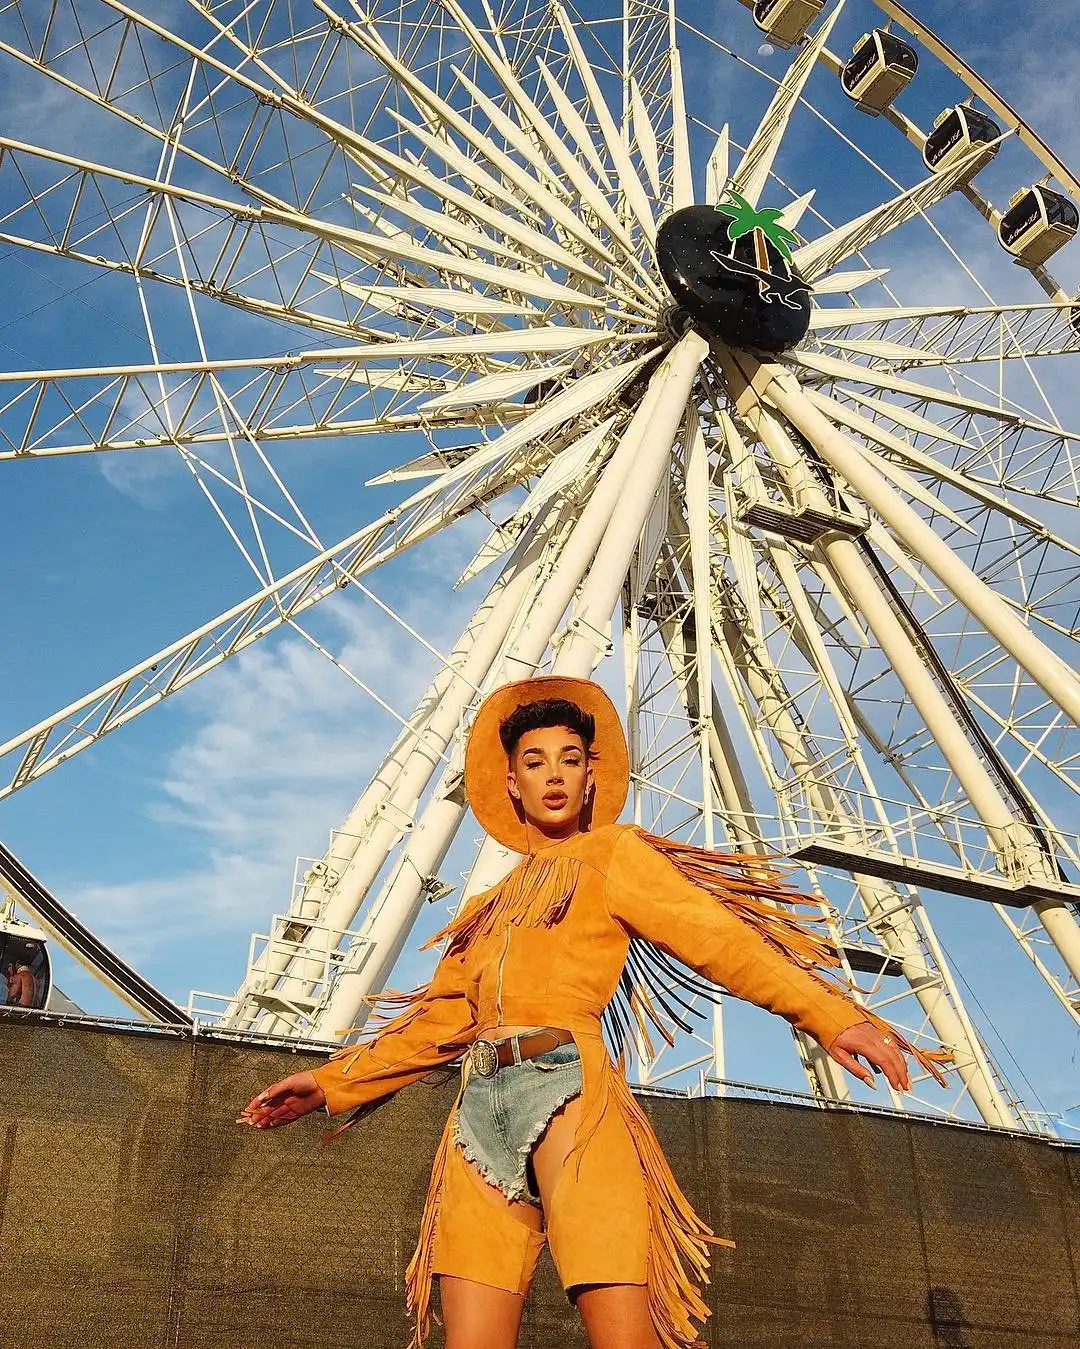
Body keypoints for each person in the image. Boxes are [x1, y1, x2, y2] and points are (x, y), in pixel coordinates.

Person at [239, 676, 950, 1349]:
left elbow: (718, 938)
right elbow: (438, 1022)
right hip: (477, 1113)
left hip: (571, 1094)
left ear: (590, 777)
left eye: (570, 759)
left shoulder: (614, 854)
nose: (553, 774)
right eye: (535, 761)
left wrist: (829, 1015)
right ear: (511, 782)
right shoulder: (486, 909)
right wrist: (330, 1083)